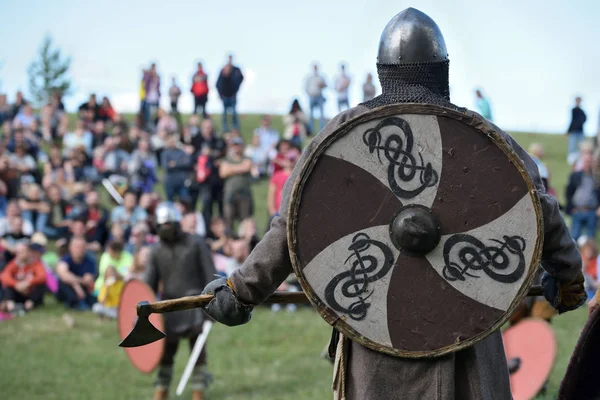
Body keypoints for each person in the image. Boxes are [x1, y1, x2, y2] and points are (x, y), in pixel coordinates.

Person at [201, 8, 585, 400]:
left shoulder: (345, 132)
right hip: (460, 336)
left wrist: (242, 292)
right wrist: (568, 278)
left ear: (384, 70)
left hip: (393, 352)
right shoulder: (478, 135)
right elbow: (542, 209)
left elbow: (289, 227)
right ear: (441, 69)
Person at [145, 202, 216, 400]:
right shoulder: (156, 251)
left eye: (169, 225)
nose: (166, 229)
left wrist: (212, 306)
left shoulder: (196, 243)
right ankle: (160, 392)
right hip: (169, 307)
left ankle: (198, 393)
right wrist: (142, 309)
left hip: (196, 305)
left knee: (198, 352)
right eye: (163, 226)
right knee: (166, 353)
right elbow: (147, 285)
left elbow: (210, 275)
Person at [565, 151, 600, 241]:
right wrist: (571, 207)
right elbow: (569, 192)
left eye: (590, 161)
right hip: (577, 210)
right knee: (574, 237)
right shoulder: (575, 176)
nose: (588, 164)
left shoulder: (596, 177)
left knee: (590, 238)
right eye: (586, 161)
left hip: (592, 211)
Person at [216, 55, 244, 132]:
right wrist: (220, 94)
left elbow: (241, 78)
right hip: (225, 96)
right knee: (224, 113)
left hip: (233, 95)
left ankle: (235, 128)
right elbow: (218, 84)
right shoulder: (222, 71)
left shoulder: (236, 70)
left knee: (234, 113)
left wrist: (236, 87)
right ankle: (225, 128)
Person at [305, 64, 327, 132]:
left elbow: (326, 85)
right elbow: (306, 87)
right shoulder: (310, 78)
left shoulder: (321, 77)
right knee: (311, 114)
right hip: (312, 96)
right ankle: (311, 130)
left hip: (319, 96)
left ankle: (322, 129)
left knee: (321, 114)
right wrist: (309, 93)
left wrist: (322, 85)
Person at [567, 96, 587, 165]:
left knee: (581, 146)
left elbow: (585, 118)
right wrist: (569, 130)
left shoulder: (582, 111)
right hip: (574, 131)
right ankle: (571, 160)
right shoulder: (574, 110)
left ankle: (581, 160)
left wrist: (580, 123)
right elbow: (572, 120)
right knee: (572, 146)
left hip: (580, 131)